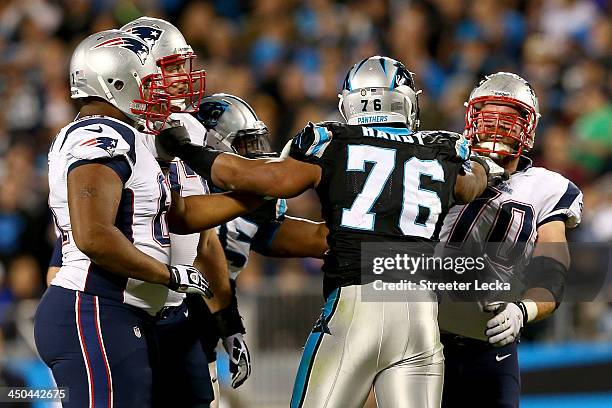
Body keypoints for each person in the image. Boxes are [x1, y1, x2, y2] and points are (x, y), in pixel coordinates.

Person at [157, 56, 504, 407]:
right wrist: (484, 169)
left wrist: (187, 151)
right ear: (405, 100)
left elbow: (269, 180)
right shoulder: (441, 149)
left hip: (357, 306)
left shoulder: (333, 141)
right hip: (420, 314)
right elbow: (470, 185)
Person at [35, 30, 261, 408]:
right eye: (149, 81)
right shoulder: (98, 134)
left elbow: (183, 216)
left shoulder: (133, 136)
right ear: (116, 82)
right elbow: (92, 235)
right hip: (95, 304)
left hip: (142, 312)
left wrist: (252, 195)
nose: (157, 91)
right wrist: (168, 275)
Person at [436, 72, 583, 408]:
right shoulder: (441, 163)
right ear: (472, 119)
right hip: (422, 333)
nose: (496, 128)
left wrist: (524, 310)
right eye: (488, 117)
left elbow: (552, 264)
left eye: (510, 120)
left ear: (528, 129)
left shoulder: (546, 187)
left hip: (491, 341)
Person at [121, 16, 239, 407]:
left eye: (183, 66)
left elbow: (203, 238)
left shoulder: (190, 126)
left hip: (177, 309)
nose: (183, 77)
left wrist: (227, 319)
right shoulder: (118, 134)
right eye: (172, 67)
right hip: (124, 309)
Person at [192, 93, 329, 407]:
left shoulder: (251, 207)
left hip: (204, 342)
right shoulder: (179, 194)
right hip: (162, 333)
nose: (257, 156)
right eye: (244, 147)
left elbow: (318, 239)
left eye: (257, 144)